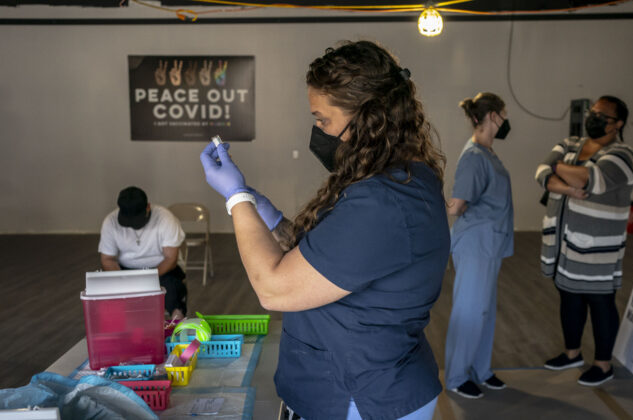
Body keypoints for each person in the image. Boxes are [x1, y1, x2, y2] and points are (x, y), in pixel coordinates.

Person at [199, 40, 450, 420]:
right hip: (363, 382)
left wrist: (236, 199)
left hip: (362, 396)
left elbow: (274, 287)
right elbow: (321, 259)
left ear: (369, 116)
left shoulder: (383, 203)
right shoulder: (401, 181)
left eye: (323, 120)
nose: (318, 130)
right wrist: (264, 211)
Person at [535, 95, 633, 386]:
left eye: (602, 115)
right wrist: (562, 181)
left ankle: (603, 365)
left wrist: (558, 170)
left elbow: (589, 179)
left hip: (597, 250)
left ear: (617, 123)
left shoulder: (623, 154)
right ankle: (572, 353)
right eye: (593, 112)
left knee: (600, 301)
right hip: (564, 244)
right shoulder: (570, 144)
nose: (594, 117)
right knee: (569, 297)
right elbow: (540, 171)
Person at [443, 93, 514, 399]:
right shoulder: (474, 156)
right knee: (470, 311)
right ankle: (458, 376)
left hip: (491, 245)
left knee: (483, 311)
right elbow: (456, 206)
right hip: (475, 245)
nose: (505, 120)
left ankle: (480, 370)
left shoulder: (488, 152)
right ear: (492, 116)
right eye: (503, 114)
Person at [98, 186, 187, 319]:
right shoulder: (110, 222)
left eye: (136, 220)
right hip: (125, 270)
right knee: (104, 291)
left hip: (162, 269)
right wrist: (122, 280)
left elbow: (170, 259)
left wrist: (146, 278)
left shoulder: (165, 218)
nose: (133, 225)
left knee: (172, 290)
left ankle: (176, 323)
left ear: (148, 207)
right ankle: (117, 327)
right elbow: (107, 259)